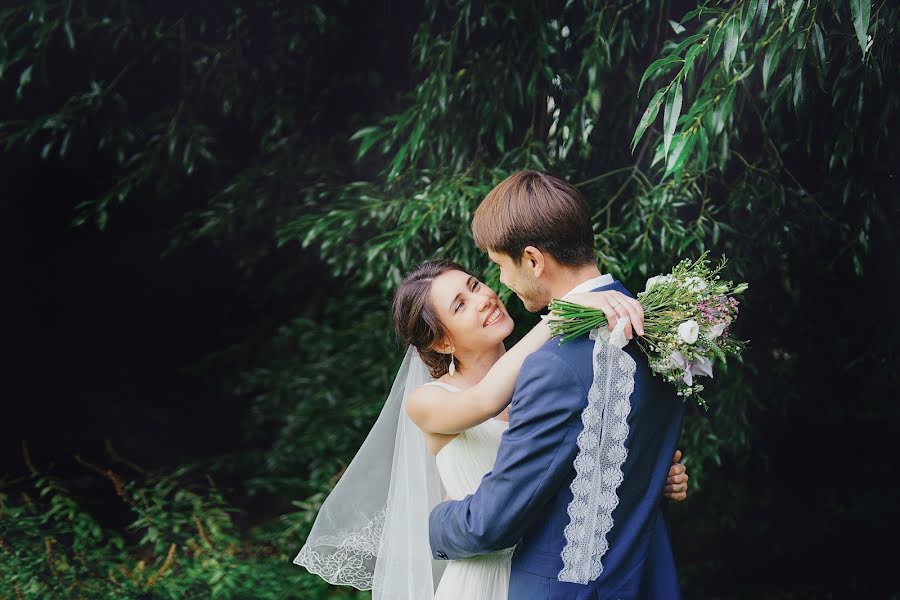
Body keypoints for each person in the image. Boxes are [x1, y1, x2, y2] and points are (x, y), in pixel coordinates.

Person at [295, 257, 688, 598]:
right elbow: (484, 401)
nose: (484, 298)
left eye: (474, 284)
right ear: (443, 342)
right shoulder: (430, 401)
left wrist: (651, 476)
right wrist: (561, 314)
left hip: (546, 577)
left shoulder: (542, 380)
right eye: (461, 305)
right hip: (480, 578)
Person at [427, 170, 687, 599]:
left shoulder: (552, 366)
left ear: (532, 260)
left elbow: (493, 522)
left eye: (499, 267)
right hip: (647, 580)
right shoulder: (662, 330)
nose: (502, 285)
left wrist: (435, 524)